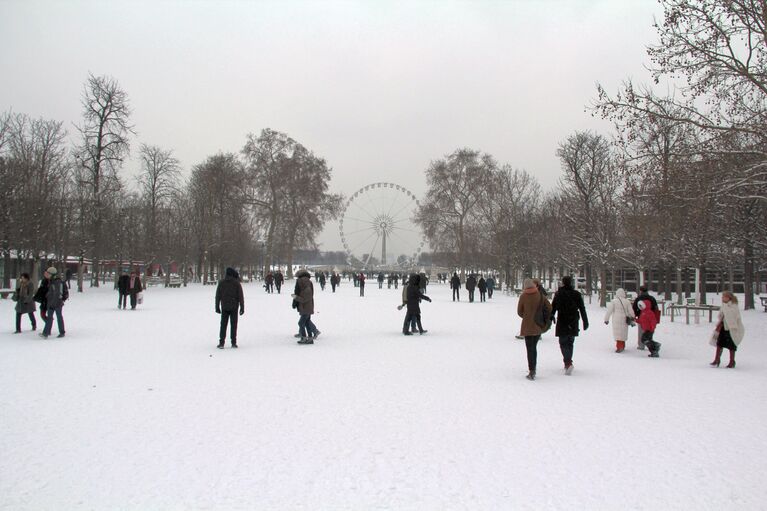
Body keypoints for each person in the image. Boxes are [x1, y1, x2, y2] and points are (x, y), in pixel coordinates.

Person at [551, 276, 589, 374]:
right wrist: (585, 321)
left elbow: (553, 307)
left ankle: (568, 362)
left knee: (563, 342)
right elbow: (582, 308)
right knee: (570, 342)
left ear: (563, 283)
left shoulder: (558, 294)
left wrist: (551, 317)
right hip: (573, 321)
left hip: (562, 320)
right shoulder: (576, 294)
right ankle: (568, 362)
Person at [518, 278, 549, 380]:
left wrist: (527, 316)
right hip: (538, 325)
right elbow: (549, 308)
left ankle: (532, 370)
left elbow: (519, 311)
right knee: (534, 347)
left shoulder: (523, 296)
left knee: (529, 348)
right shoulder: (540, 295)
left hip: (527, 326)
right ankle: (533, 369)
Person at [710, 291, 744, 368]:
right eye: (722, 297)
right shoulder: (724, 305)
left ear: (729, 298)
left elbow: (733, 316)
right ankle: (717, 359)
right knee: (719, 343)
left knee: (731, 345)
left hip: (731, 328)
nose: (722, 298)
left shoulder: (734, 306)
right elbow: (720, 315)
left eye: (724, 297)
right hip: (723, 327)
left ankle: (732, 361)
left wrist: (725, 310)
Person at [215, 267, 244, 349]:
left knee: (223, 325)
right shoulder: (236, 283)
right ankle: (233, 342)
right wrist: (242, 307)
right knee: (234, 325)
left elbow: (218, 296)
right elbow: (240, 296)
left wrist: (217, 306)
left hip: (224, 306)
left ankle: (221, 342)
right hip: (234, 306)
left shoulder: (221, 283)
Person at [603, 288, 635, 353]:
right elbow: (631, 311)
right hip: (624, 319)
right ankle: (622, 345)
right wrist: (633, 316)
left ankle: (619, 347)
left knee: (618, 333)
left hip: (616, 319)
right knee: (623, 333)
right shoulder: (627, 301)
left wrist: (606, 319)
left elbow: (609, 311)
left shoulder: (614, 301)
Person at [293, 269, 320, 344]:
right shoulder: (305, 286)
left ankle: (305, 337)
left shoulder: (306, 288)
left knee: (301, 323)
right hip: (305, 307)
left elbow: (305, 299)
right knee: (307, 322)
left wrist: (296, 297)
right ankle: (310, 338)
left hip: (306, 308)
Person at [40, 266, 67, 339]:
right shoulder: (51, 281)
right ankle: (45, 333)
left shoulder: (57, 282)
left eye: (48, 274)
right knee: (50, 318)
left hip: (57, 303)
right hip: (51, 303)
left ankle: (62, 332)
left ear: (52, 274)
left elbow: (57, 294)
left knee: (59, 317)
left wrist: (53, 303)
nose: (47, 275)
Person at [632, 286, 658, 351]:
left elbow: (634, 308)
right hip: (651, 317)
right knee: (649, 331)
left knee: (641, 331)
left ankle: (641, 345)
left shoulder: (638, 298)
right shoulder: (652, 298)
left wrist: (634, 316)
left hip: (641, 317)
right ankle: (650, 344)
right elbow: (656, 308)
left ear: (641, 291)